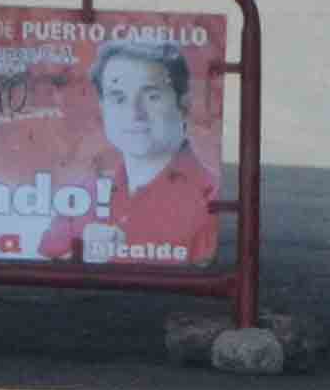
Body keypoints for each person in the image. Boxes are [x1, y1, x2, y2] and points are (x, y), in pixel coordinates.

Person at [35, 31, 220, 270]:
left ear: (183, 105)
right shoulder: (85, 193)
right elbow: (43, 264)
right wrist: (79, 257)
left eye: (152, 96)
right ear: (103, 108)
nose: (134, 114)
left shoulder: (212, 198)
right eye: (118, 98)